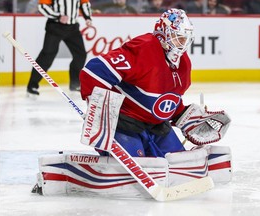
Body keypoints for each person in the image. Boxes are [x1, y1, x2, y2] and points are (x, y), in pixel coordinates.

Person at [79, 8, 230, 158]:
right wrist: (98, 110)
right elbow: (94, 71)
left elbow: (165, 97)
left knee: (178, 160)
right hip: (124, 125)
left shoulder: (183, 63)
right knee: (138, 162)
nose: (182, 44)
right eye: (178, 37)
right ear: (163, 33)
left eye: (185, 38)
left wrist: (182, 114)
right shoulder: (144, 48)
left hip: (157, 127)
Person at [26, 0, 92, 96]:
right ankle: (32, 85)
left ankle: (75, 84)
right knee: (47, 55)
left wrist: (87, 17)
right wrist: (58, 16)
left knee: (80, 54)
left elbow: (84, 3)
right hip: (55, 26)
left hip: (73, 27)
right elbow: (43, 6)